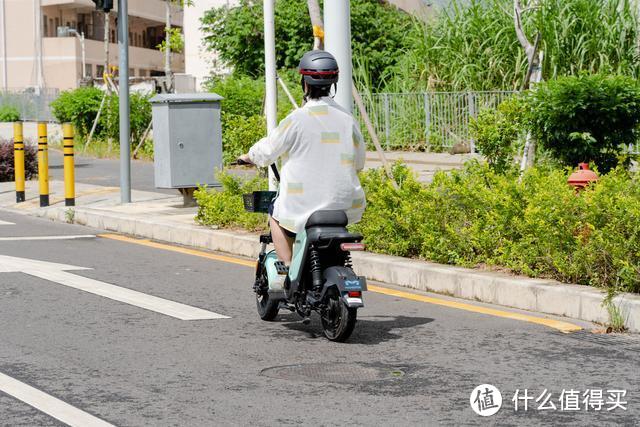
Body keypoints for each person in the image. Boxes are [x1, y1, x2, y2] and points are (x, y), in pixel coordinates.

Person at [239, 50, 366, 265]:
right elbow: (359, 162)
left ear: (304, 84)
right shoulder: (348, 120)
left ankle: (287, 269)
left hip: (302, 205)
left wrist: (249, 156)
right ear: (334, 82)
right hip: (345, 205)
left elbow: (268, 150)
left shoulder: (297, 119)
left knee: (275, 215)